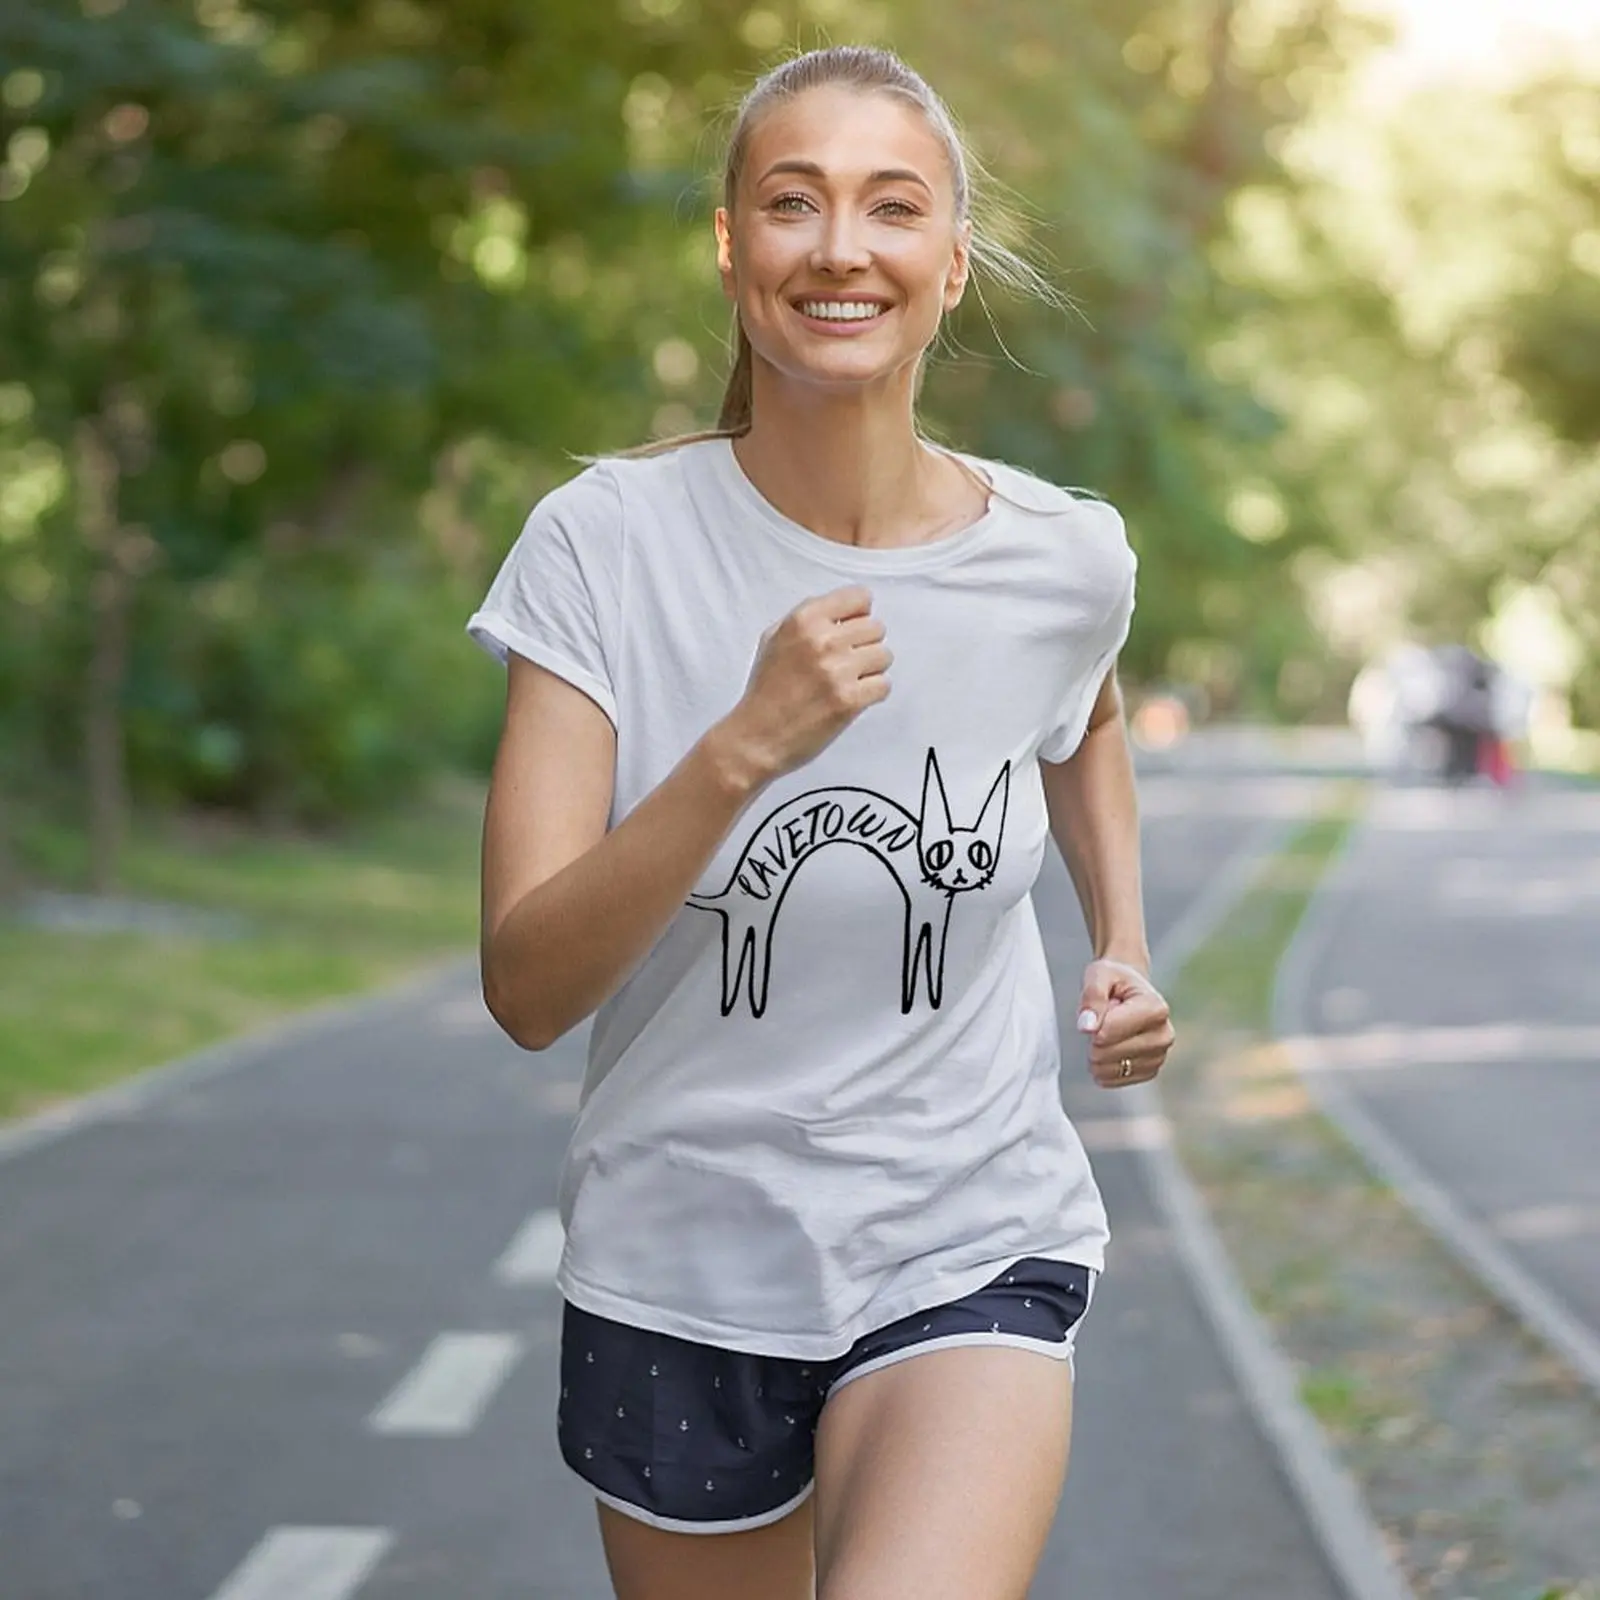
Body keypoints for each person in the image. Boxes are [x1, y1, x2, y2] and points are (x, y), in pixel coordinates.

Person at [468, 44, 1175, 1600]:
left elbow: (1091, 709)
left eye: (890, 207)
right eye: (793, 203)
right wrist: (741, 750)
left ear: (949, 260)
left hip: (968, 1230)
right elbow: (526, 987)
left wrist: (1121, 937)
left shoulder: (1063, 559)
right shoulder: (603, 547)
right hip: (680, 1264)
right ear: (732, 246)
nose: (841, 246)